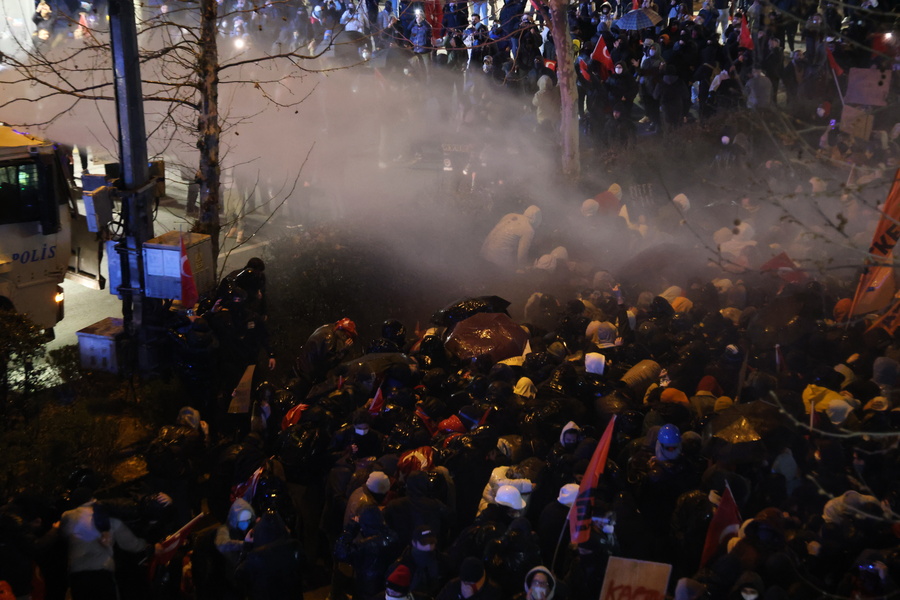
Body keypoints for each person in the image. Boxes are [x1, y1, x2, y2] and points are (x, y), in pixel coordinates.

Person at [59, 488, 152, 600]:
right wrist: (147, 545)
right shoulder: (109, 517)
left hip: (77, 576)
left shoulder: (68, 517)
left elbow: (63, 534)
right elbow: (130, 544)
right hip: (102, 574)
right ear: (92, 499)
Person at [480, 205, 543, 271]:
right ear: (537, 221)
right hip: (496, 263)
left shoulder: (509, 215)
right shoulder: (528, 229)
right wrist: (523, 268)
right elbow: (521, 255)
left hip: (483, 253)